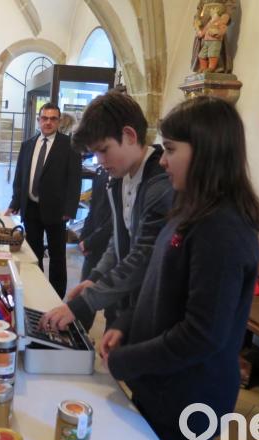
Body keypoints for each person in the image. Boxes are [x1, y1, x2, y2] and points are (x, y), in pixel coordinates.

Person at [98, 96, 259, 440]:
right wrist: (126, 324)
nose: (162, 160)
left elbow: (201, 334)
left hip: (189, 397)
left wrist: (128, 359)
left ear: (206, 152)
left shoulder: (223, 228)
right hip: (162, 384)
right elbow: (161, 286)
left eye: (171, 149)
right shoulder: (190, 209)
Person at [41, 91, 174, 333]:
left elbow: (142, 255)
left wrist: (83, 304)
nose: (100, 160)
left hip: (151, 309)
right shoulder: (119, 177)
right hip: (125, 305)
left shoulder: (159, 183)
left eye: (103, 150)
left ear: (129, 135)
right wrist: (95, 277)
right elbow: (119, 239)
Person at [6, 103, 81, 298]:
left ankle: (56, 297)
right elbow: (20, 177)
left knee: (57, 256)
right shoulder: (28, 144)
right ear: (39, 120)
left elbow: (74, 180)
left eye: (53, 119)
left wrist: (70, 209)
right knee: (33, 254)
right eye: (45, 118)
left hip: (57, 210)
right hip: (31, 208)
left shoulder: (69, 146)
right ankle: (37, 292)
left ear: (59, 121)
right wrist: (15, 203)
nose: (48, 122)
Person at [76, 166, 112, 281]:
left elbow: (115, 221)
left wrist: (91, 241)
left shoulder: (121, 178)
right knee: (85, 284)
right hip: (93, 247)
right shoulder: (100, 172)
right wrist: (83, 238)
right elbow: (93, 208)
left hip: (109, 245)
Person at [195, 3, 230, 72]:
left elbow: (222, 30)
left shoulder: (221, 22)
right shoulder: (210, 22)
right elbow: (204, 30)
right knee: (201, 55)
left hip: (215, 41)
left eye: (213, 10)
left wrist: (217, 32)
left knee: (213, 54)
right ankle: (203, 67)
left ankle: (211, 68)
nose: (211, 12)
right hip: (206, 41)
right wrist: (199, 31)